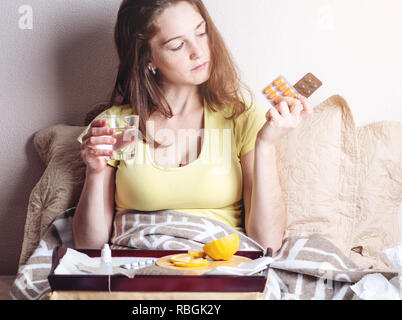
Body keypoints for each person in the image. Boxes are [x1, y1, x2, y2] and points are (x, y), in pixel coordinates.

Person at [73, 0, 313, 253]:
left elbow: (268, 244)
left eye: (201, 32)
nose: (199, 51)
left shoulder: (242, 117)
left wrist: (265, 145)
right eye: (177, 45)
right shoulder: (114, 125)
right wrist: (96, 172)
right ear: (147, 59)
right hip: (138, 270)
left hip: (217, 271)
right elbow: (88, 247)